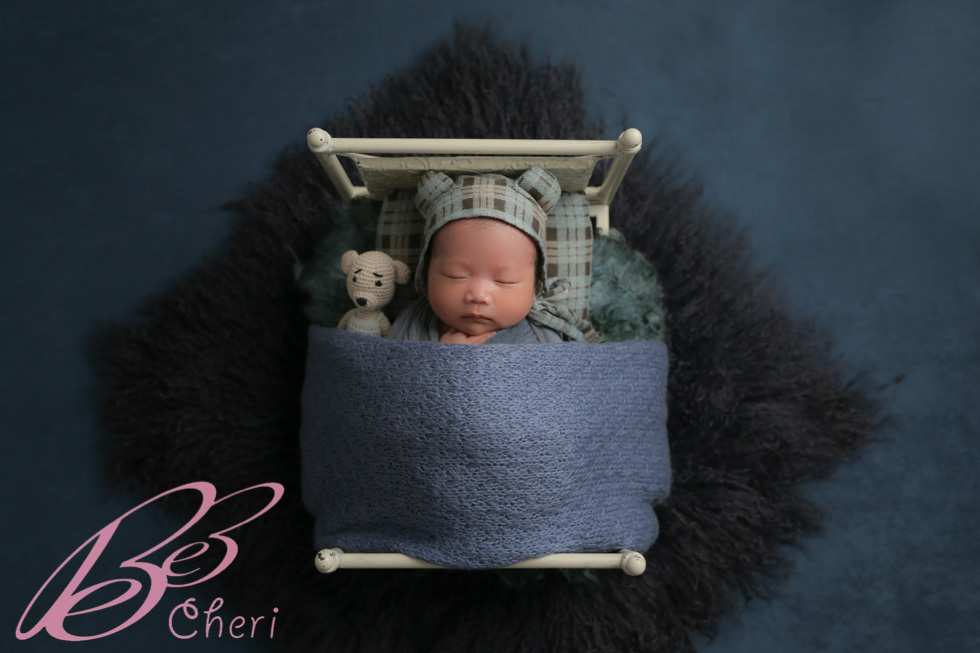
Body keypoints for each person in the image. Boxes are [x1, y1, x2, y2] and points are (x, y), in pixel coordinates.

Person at [387, 166, 592, 345]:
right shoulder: (412, 326)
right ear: (426, 274)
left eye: (505, 280)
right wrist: (441, 360)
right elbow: (388, 370)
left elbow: (561, 375)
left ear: (536, 285)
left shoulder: (544, 336)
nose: (478, 296)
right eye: (456, 275)